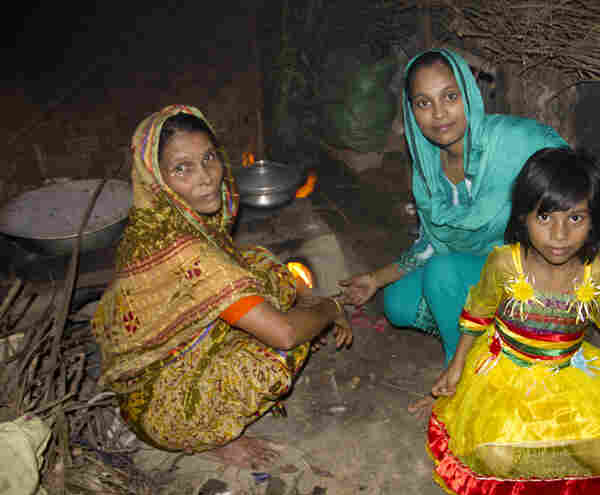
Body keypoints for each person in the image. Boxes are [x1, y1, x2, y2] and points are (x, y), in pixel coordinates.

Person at [426, 147, 600, 495]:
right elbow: (477, 313)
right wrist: (456, 367)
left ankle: (543, 465)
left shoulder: (598, 273)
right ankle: (531, 468)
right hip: (504, 375)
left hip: (569, 375)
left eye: (575, 218)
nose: (560, 235)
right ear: (523, 218)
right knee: (492, 458)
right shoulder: (505, 263)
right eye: (545, 216)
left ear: (592, 222)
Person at [92, 105, 352, 470]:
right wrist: (330, 308)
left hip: (149, 372)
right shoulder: (189, 253)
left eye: (209, 158)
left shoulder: (154, 219)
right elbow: (285, 334)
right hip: (163, 411)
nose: (206, 178)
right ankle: (209, 435)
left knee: (259, 264)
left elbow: (234, 275)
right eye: (182, 168)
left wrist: (306, 300)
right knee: (276, 354)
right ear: (157, 178)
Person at [339, 49, 567, 406]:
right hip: (476, 270)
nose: (439, 114)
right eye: (423, 103)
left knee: (442, 273)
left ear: (468, 94)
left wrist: (555, 244)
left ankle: (458, 372)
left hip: (530, 272)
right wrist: (375, 279)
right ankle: (490, 338)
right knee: (399, 303)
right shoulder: (429, 167)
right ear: (411, 111)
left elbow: (570, 175)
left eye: (450, 96)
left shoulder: (512, 142)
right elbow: (432, 241)